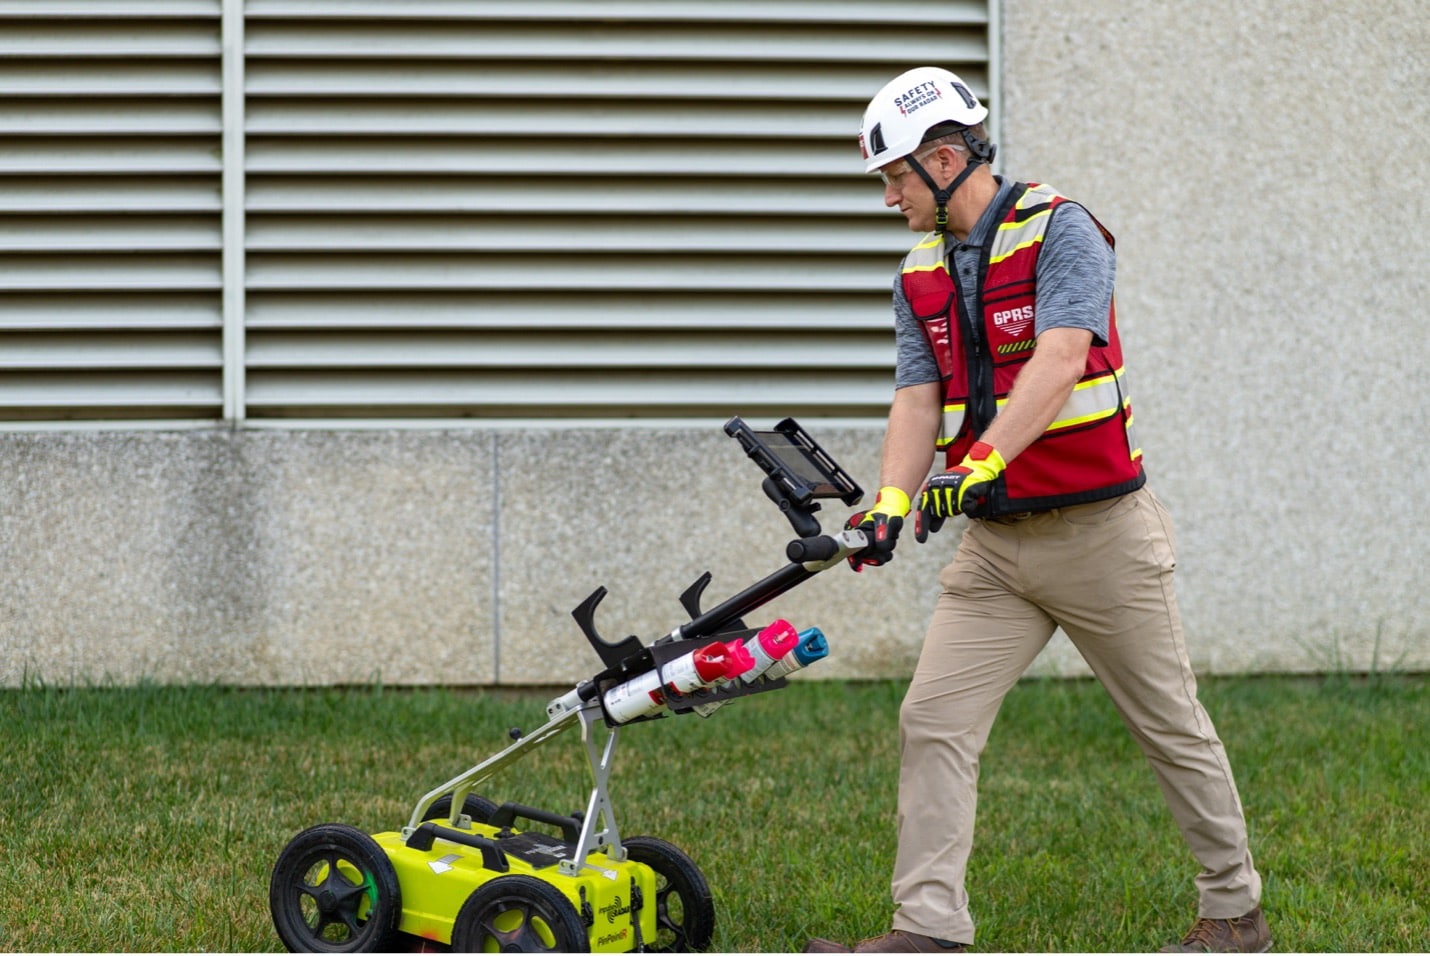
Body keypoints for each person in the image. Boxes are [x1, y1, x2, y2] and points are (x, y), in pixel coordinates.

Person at [804, 67, 1269, 954]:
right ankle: (927, 931)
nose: (891, 197)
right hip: (995, 552)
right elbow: (915, 397)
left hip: (1102, 537)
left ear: (945, 160)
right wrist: (889, 504)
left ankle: (1235, 913)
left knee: (1169, 724)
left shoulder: (1065, 232)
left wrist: (979, 460)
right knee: (932, 720)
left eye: (897, 177)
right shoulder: (919, 274)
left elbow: (1058, 361)